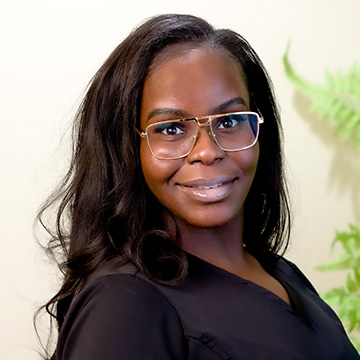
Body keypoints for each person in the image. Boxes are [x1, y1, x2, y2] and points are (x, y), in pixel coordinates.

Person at [36, 13, 360, 360]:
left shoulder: (278, 272)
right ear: (129, 148)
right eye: (171, 129)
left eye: (230, 120)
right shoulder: (126, 304)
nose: (207, 151)